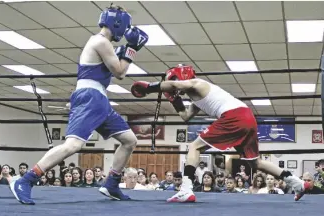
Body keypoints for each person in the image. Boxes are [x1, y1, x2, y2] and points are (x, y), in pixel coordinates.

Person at [10, 4, 148, 205]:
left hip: (99, 99)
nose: (126, 31)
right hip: (90, 97)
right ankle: (26, 180)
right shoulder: (100, 41)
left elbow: (116, 60)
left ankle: (111, 183)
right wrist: (133, 49)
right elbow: (120, 72)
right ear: (118, 23)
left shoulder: (105, 45)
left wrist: (127, 49)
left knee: (129, 140)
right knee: (73, 145)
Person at [130, 64, 310, 202]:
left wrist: (149, 88)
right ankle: (298, 183)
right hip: (246, 117)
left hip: (234, 116)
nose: (173, 89)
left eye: (174, 85)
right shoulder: (195, 97)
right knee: (255, 163)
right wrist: (175, 100)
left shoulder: (197, 83)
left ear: (181, 77)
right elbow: (185, 116)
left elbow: (174, 84)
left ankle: (186, 189)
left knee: (194, 146)